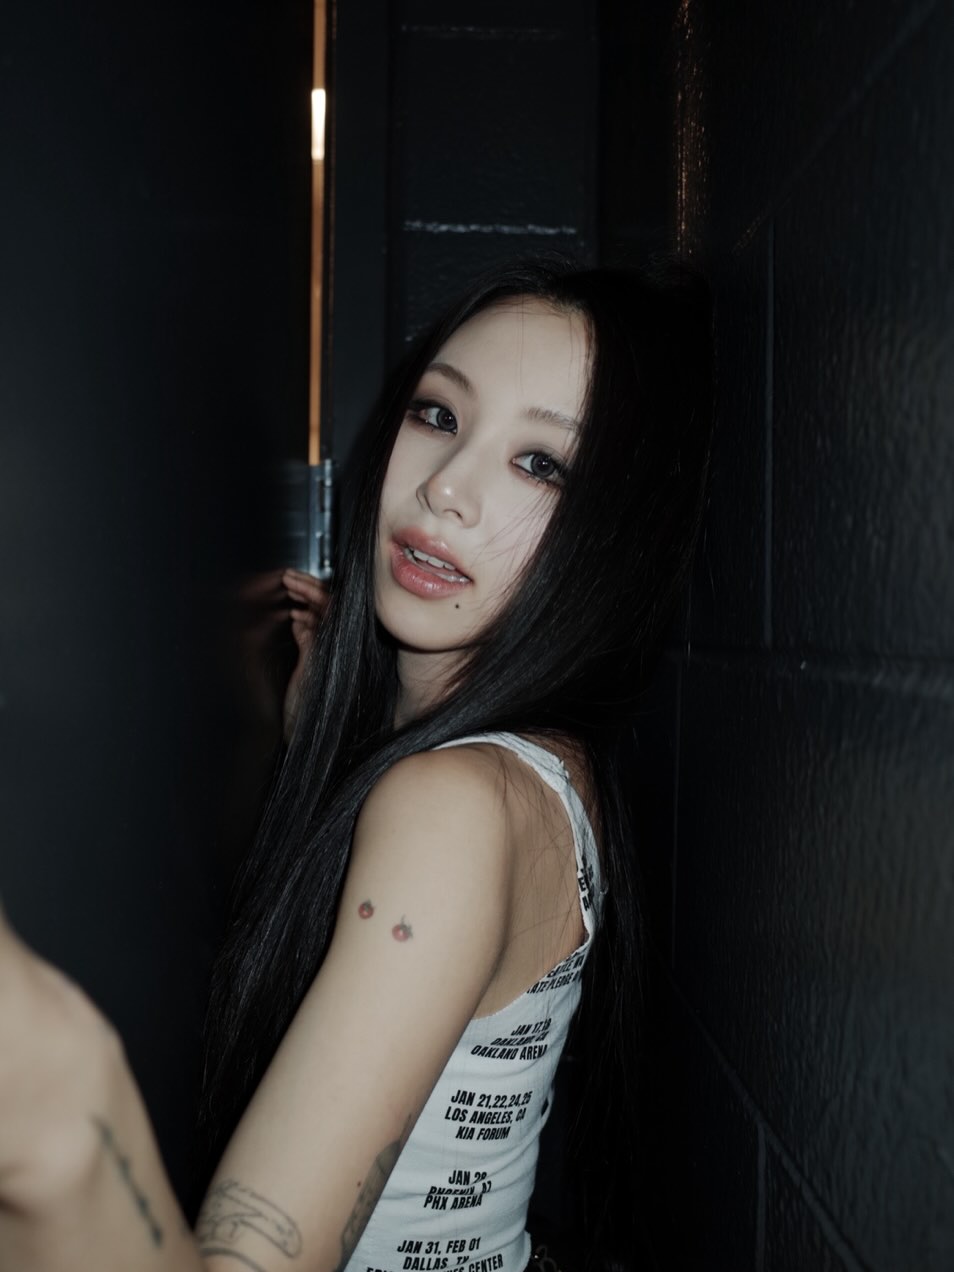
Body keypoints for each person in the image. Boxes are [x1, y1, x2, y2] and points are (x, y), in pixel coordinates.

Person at [0, 259, 713, 1272]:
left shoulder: (454, 804)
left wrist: (68, 1101)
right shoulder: (543, 766)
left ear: (614, 538)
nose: (444, 487)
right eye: (438, 414)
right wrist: (321, 732)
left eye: (541, 464)